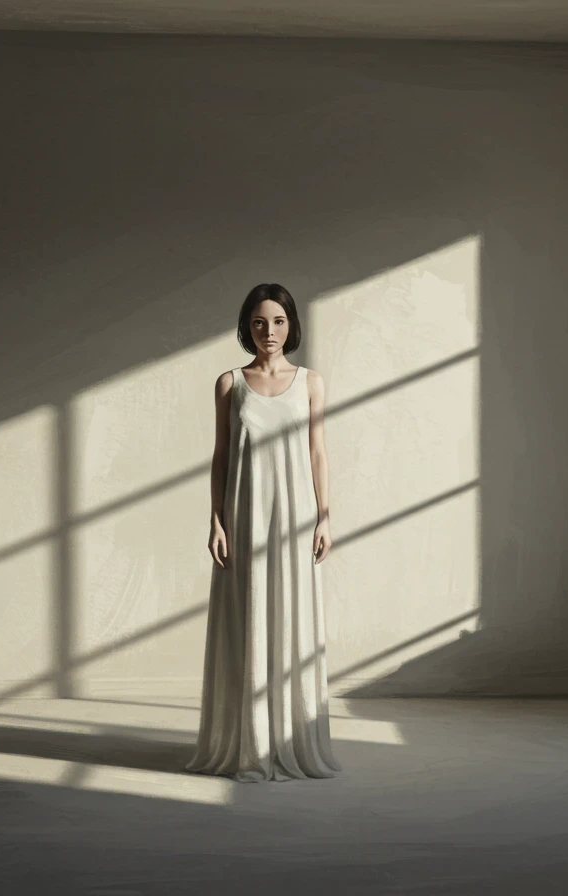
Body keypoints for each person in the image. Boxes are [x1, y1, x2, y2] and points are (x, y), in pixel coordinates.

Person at [184, 283, 342, 781]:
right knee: (248, 616)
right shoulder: (229, 382)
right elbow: (221, 455)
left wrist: (324, 515)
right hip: (245, 514)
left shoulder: (310, 382)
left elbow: (317, 451)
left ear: (291, 325)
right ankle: (248, 743)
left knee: (291, 617)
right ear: (246, 326)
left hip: (295, 517)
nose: (268, 331)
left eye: (277, 321)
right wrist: (215, 517)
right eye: (258, 322)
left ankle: (291, 739)